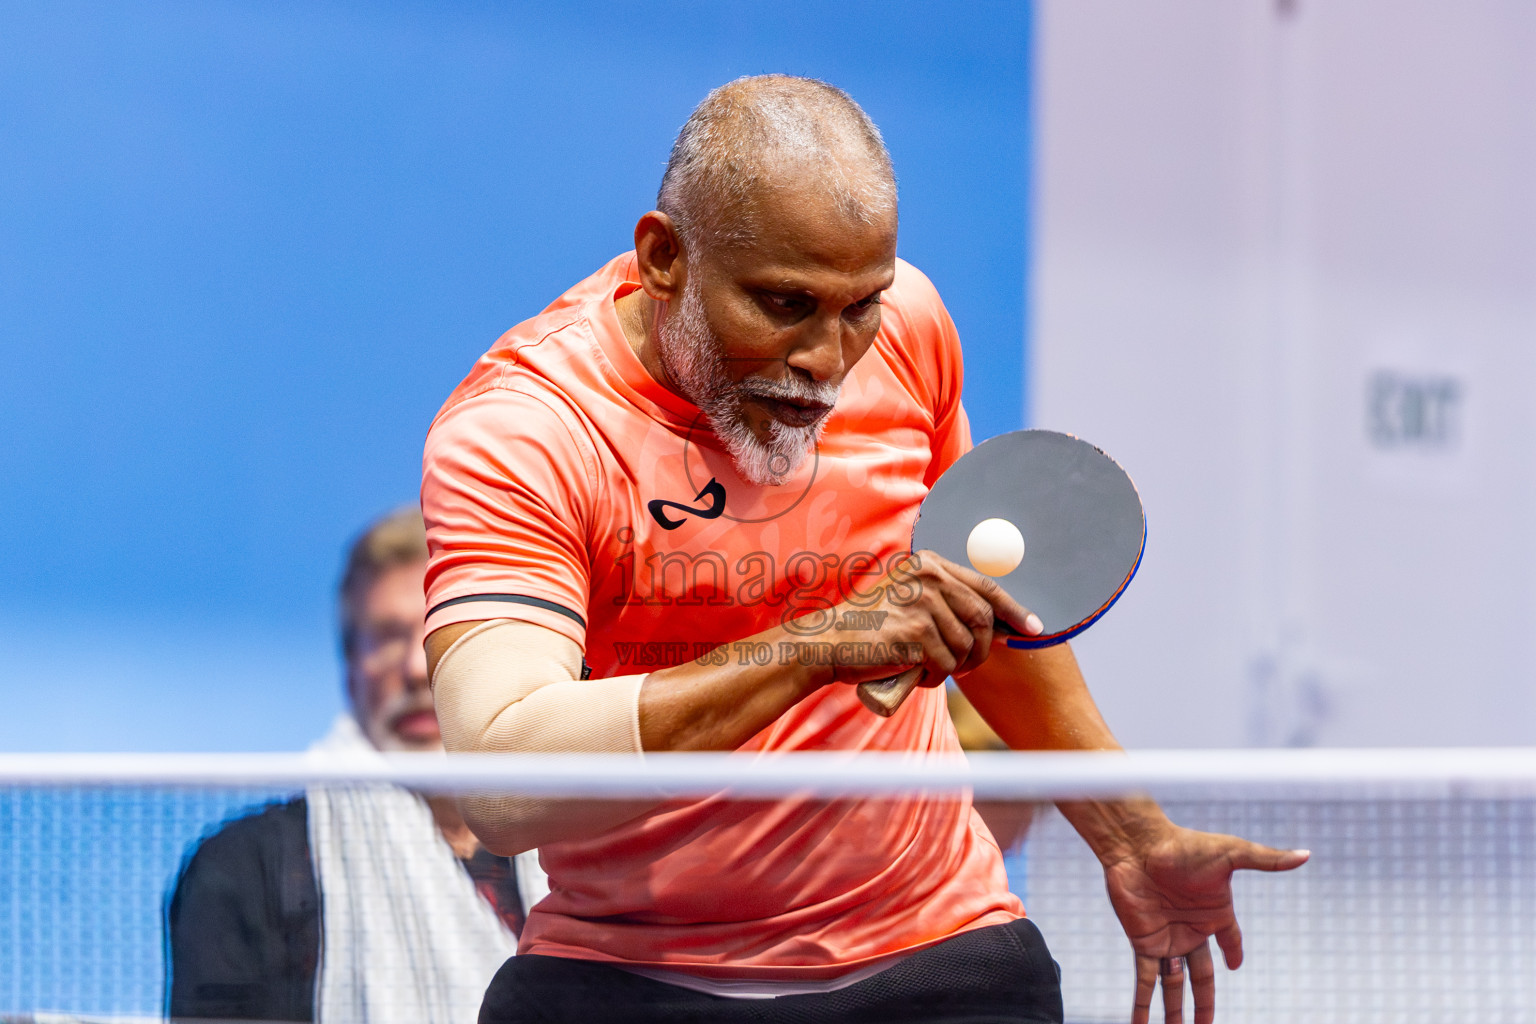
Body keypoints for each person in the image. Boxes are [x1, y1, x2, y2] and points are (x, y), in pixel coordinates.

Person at [422, 76, 1307, 1024]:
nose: (828, 359)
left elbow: (982, 612)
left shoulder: (913, 331)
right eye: (784, 304)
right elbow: (503, 783)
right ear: (664, 256)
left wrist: (1128, 830)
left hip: (934, 956)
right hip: (633, 974)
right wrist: (816, 646)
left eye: (859, 307)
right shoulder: (529, 431)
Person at [166, 508, 546, 1023]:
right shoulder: (240, 871)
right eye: (387, 637)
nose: (415, 668)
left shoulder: (585, 859)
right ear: (349, 670)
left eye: (443, 634)